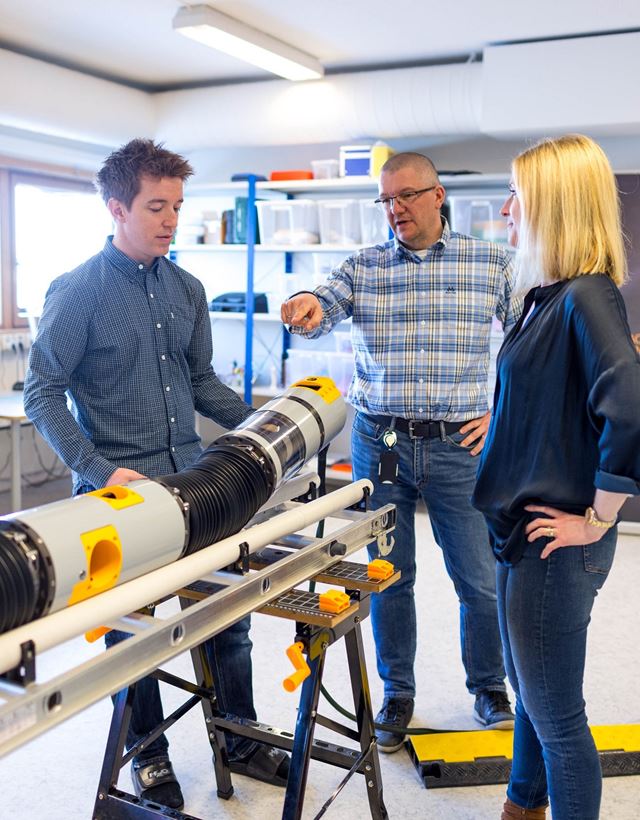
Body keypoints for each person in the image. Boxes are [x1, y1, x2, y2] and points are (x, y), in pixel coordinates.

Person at [23, 139, 289, 810]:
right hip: (120, 501)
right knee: (135, 643)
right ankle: (149, 757)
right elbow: (43, 393)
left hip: (199, 487)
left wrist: (268, 422)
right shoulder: (78, 291)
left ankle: (240, 739)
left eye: (176, 205)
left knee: (229, 621)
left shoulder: (187, 287)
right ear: (117, 207)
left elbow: (202, 382)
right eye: (155, 206)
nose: (170, 220)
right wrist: (97, 468)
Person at [281, 152, 520, 751]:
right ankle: (397, 693)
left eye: (408, 196)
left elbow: (527, 347)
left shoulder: (491, 261)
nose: (397, 210)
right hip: (383, 436)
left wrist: (499, 414)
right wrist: (305, 306)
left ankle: (489, 687)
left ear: (438, 196)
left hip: (458, 443)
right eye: (387, 200)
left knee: (479, 576)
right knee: (389, 575)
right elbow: (323, 303)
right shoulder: (363, 266)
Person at [472, 134, 640, 820]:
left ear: (554, 206)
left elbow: (627, 406)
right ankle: (522, 805)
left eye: (520, 195)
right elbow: (552, 393)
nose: (508, 209)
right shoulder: (547, 295)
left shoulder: (588, 296)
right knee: (530, 690)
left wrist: (598, 519)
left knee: (557, 717)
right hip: (524, 529)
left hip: (555, 540)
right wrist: (506, 422)